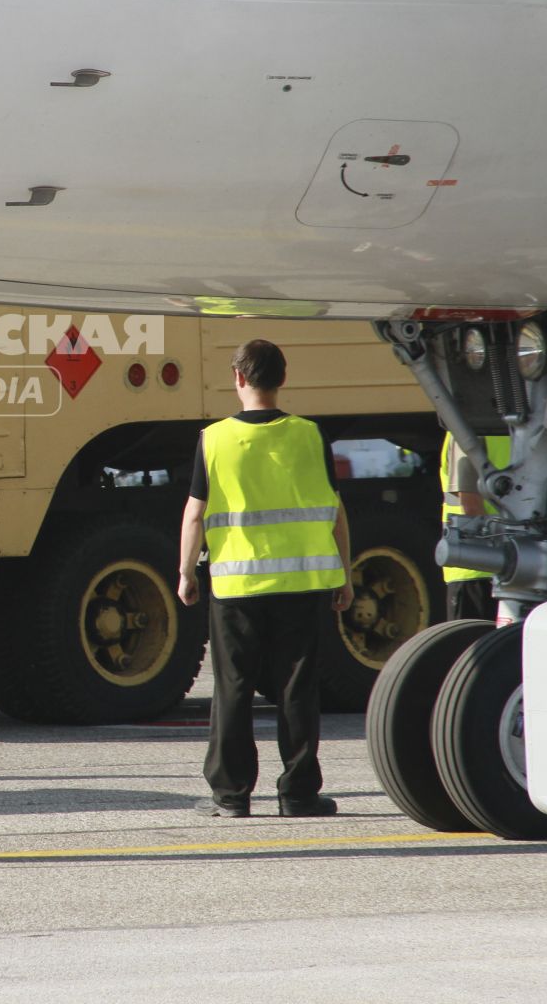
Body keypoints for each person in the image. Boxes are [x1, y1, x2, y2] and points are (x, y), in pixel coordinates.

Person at [178, 339, 352, 819]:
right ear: (282, 379)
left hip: (236, 588)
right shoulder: (310, 435)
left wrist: (186, 572)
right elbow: (336, 513)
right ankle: (298, 794)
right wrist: (346, 575)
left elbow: (195, 515)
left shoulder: (213, 439)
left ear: (238, 378)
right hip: (303, 583)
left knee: (233, 687)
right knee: (298, 688)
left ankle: (231, 795)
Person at [440, 433, 511, 623]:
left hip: (476, 564)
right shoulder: (517, 431)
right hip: (506, 565)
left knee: (472, 646)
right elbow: (471, 505)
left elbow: (470, 504)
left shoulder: (467, 430)